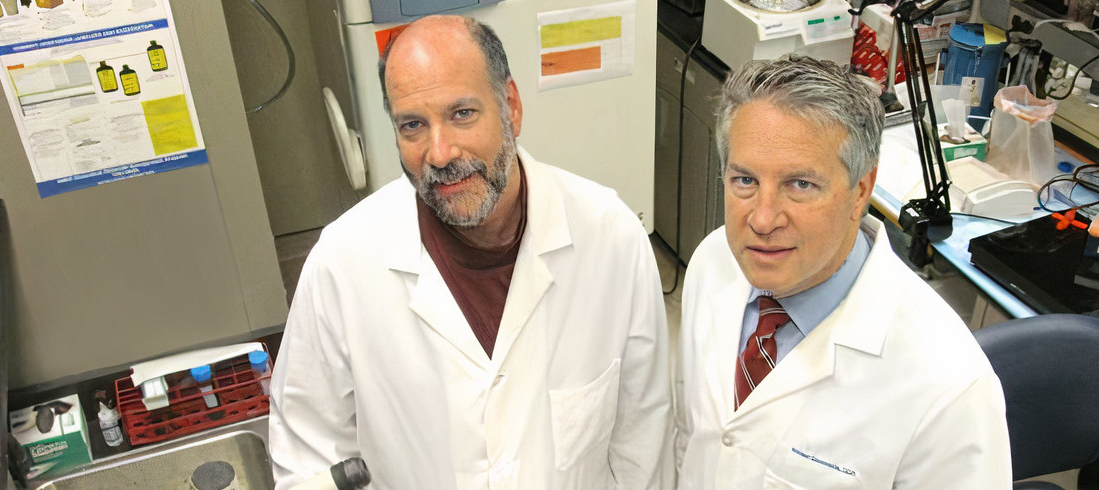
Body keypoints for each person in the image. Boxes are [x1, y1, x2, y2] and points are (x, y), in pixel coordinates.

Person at [267, 15, 672, 490]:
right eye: (413, 125)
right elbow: (307, 461)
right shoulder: (342, 264)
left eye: (462, 113)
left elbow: (644, 441)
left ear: (511, 108)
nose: (439, 152)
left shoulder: (611, 238)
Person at [673, 54, 1011, 489]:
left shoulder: (949, 387)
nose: (762, 219)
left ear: (860, 192)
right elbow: (694, 436)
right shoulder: (713, 260)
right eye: (745, 180)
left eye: (800, 184)